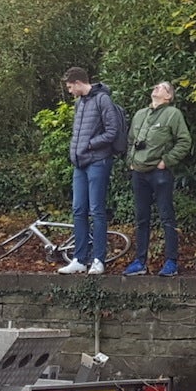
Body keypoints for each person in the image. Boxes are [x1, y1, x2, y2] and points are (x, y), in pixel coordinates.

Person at [60, 68, 125, 275]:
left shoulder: (102, 100)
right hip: (80, 164)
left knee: (96, 210)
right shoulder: (80, 102)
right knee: (78, 210)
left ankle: (98, 259)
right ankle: (79, 259)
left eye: (70, 87)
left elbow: (112, 132)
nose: (70, 91)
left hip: (98, 161)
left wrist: (89, 145)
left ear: (78, 83)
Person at [123, 81, 190, 276]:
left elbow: (184, 141)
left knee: (166, 216)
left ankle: (171, 262)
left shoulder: (173, 114)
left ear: (168, 96)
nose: (155, 88)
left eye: (161, 87)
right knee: (141, 218)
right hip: (139, 173)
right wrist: (131, 161)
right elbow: (130, 141)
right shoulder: (140, 114)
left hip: (159, 173)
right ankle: (140, 261)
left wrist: (166, 161)